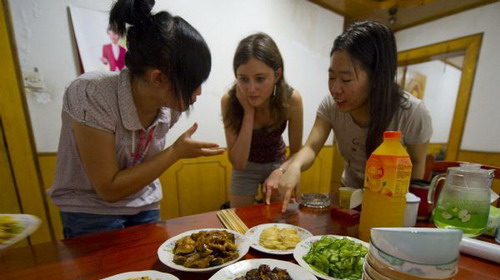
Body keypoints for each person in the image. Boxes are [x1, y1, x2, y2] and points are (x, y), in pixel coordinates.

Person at [48, 0, 223, 238]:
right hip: (90, 213)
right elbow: (108, 189)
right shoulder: (91, 93)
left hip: (145, 205)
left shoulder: (171, 106)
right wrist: (175, 152)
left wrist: (175, 151)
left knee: (149, 275)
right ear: (158, 79)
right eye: (193, 84)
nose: (199, 92)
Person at [275, 21, 432, 212]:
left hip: (390, 205)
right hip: (348, 197)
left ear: (376, 77)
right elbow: (311, 147)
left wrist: (404, 208)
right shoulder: (331, 105)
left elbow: (417, 163)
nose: (335, 89)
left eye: (346, 79)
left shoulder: (412, 113)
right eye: (331, 77)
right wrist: (294, 166)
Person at [221, 33, 303, 208]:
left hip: (278, 163)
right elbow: (238, 163)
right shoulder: (230, 101)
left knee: (280, 221)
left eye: (260, 79)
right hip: (245, 167)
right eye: (243, 79)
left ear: (277, 75)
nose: (251, 89)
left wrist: (280, 171)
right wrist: (248, 114)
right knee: (240, 220)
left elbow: (297, 153)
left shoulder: (291, 99)